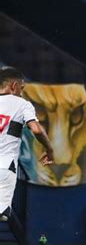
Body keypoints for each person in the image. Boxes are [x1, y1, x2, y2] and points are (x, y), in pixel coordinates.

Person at [0, 66, 54, 221]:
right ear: (14, 86)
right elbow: (36, 130)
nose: (21, 92)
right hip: (4, 165)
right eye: (21, 88)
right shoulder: (21, 104)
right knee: (2, 214)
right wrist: (49, 149)